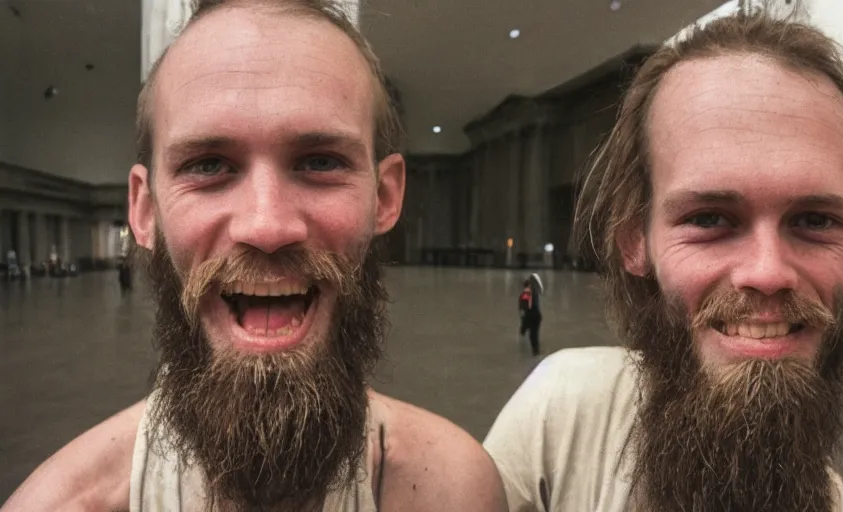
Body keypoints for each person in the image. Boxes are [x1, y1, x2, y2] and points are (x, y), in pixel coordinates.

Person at [2, 1, 506, 511]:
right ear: (145, 209)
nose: (267, 227)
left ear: (385, 196)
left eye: (320, 161)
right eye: (208, 165)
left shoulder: (457, 491)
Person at [484, 7, 843, 512]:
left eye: (815, 221)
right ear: (634, 239)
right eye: (709, 219)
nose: (768, 273)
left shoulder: (829, 498)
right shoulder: (560, 416)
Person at [518, 279, 540, 356]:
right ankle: (535, 350)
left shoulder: (527, 295)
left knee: (532, 334)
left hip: (531, 316)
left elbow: (523, 308)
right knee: (533, 334)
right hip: (534, 316)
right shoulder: (531, 294)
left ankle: (535, 350)